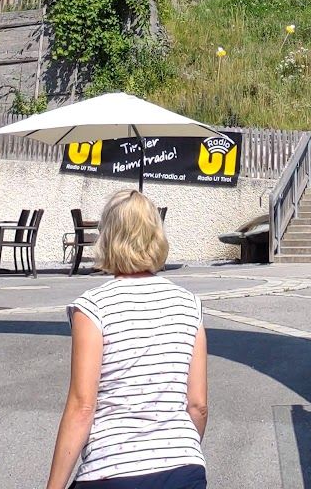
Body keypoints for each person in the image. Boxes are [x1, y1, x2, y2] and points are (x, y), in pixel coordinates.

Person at [45, 189, 208, 489]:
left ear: (107, 237)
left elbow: (83, 407)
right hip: (184, 467)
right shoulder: (189, 304)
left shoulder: (93, 307)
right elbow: (197, 406)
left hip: (111, 471)